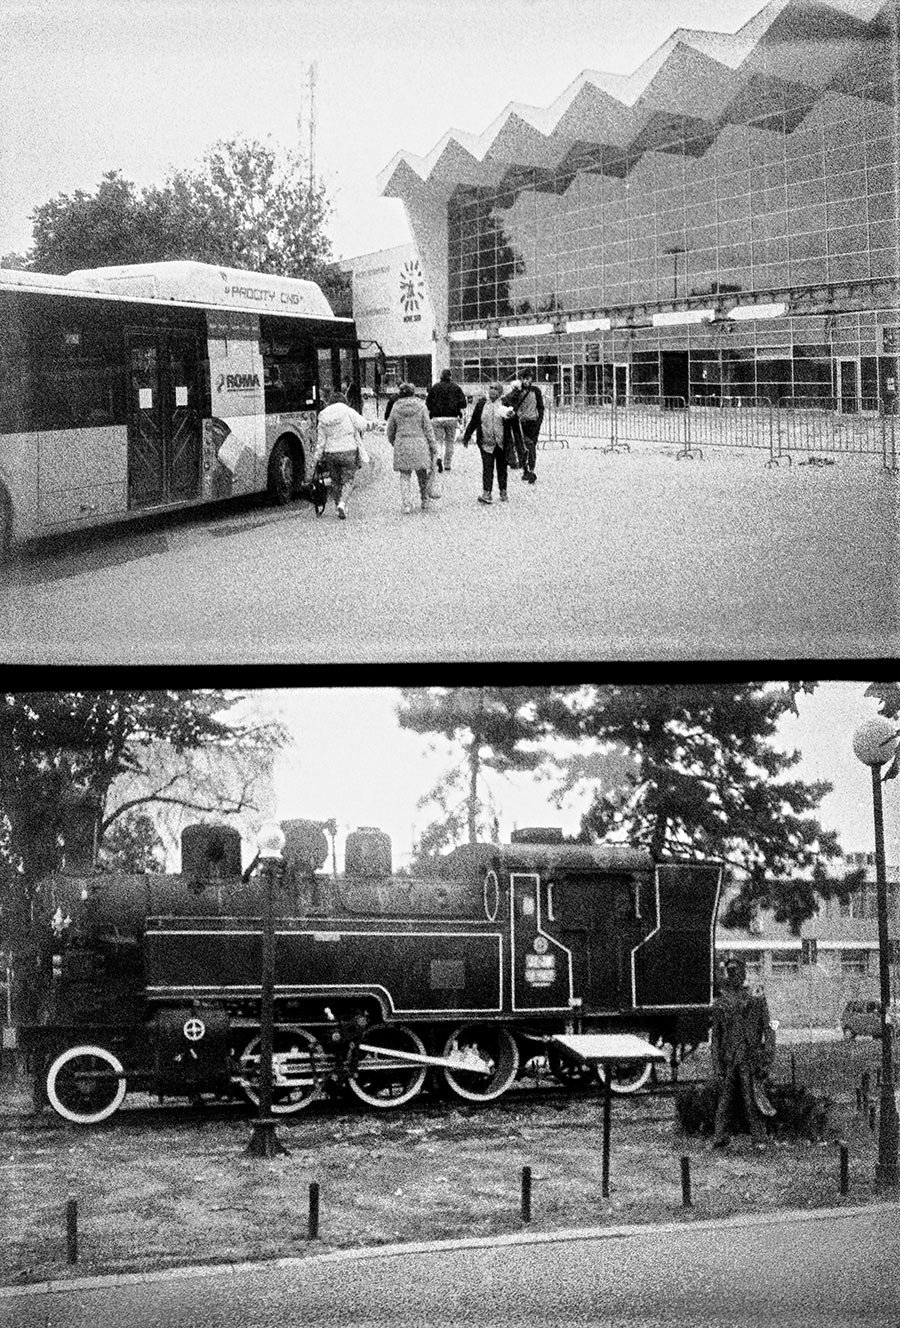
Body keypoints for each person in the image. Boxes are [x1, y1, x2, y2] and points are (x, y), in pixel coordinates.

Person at [710, 957, 771, 1149]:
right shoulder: (722, 1001)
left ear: (744, 973)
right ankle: (720, 1137)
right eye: (730, 972)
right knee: (725, 1102)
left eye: (737, 971)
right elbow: (716, 1037)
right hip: (729, 1059)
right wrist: (717, 1064)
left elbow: (768, 1027)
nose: (734, 975)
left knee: (752, 1099)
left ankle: (759, 1138)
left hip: (749, 1058)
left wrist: (767, 1057)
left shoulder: (755, 996)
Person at [313, 389, 372, 520]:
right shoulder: (348, 411)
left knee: (335, 481)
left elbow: (320, 441)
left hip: (330, 453)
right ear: (344, 401)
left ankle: (337, 506)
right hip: (348, 451)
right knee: (348, 480)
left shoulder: (323, 416)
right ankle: (342, 503)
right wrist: (370, 425)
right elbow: (362, 425)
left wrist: (316, 458)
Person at [386, 382, 438, 514]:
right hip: (420, 443)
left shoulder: (396, 407)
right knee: (422, 474)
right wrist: (433, 446)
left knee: (404, 475)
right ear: (413, 392)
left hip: (402, 443)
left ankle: (406, 504)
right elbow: (427, 428)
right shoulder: (421, 406)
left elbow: (390, 428)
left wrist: (394, 441)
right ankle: (424, 499)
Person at [462, 382, 513, 506]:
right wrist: (467, 436)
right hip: (486, 442)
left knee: (502, 468)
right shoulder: (482, 404)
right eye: (491, 388)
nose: (493, 391)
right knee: (487, 468)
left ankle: (503, 490)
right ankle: (487, 492)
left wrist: (512, 416)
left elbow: (514, 423)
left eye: (496, 389)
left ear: (500, 392)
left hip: (501, 442)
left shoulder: (505, 403)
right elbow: (474, 420)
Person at [425, 368, 468, 473]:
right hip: (452, 418)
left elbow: (428, 404)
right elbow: (463, 403)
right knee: (450, 441)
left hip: (437, 418)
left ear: (441, 376)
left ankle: (438, 457)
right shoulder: (456, 388)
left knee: (438, 440)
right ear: (450, 376)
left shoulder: (434, 388)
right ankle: (447, 464)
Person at [514, 370, 544, 483]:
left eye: (528, 378)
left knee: (531, 446)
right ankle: (525, 470)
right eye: (524, 378)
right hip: (520, 423)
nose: (526, 381)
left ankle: (531, 470)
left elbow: (540, 407)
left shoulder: (536, 391)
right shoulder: (517, 391)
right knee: (521, 448)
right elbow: (511, 403)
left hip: (532, 422)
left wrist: (539, 421)